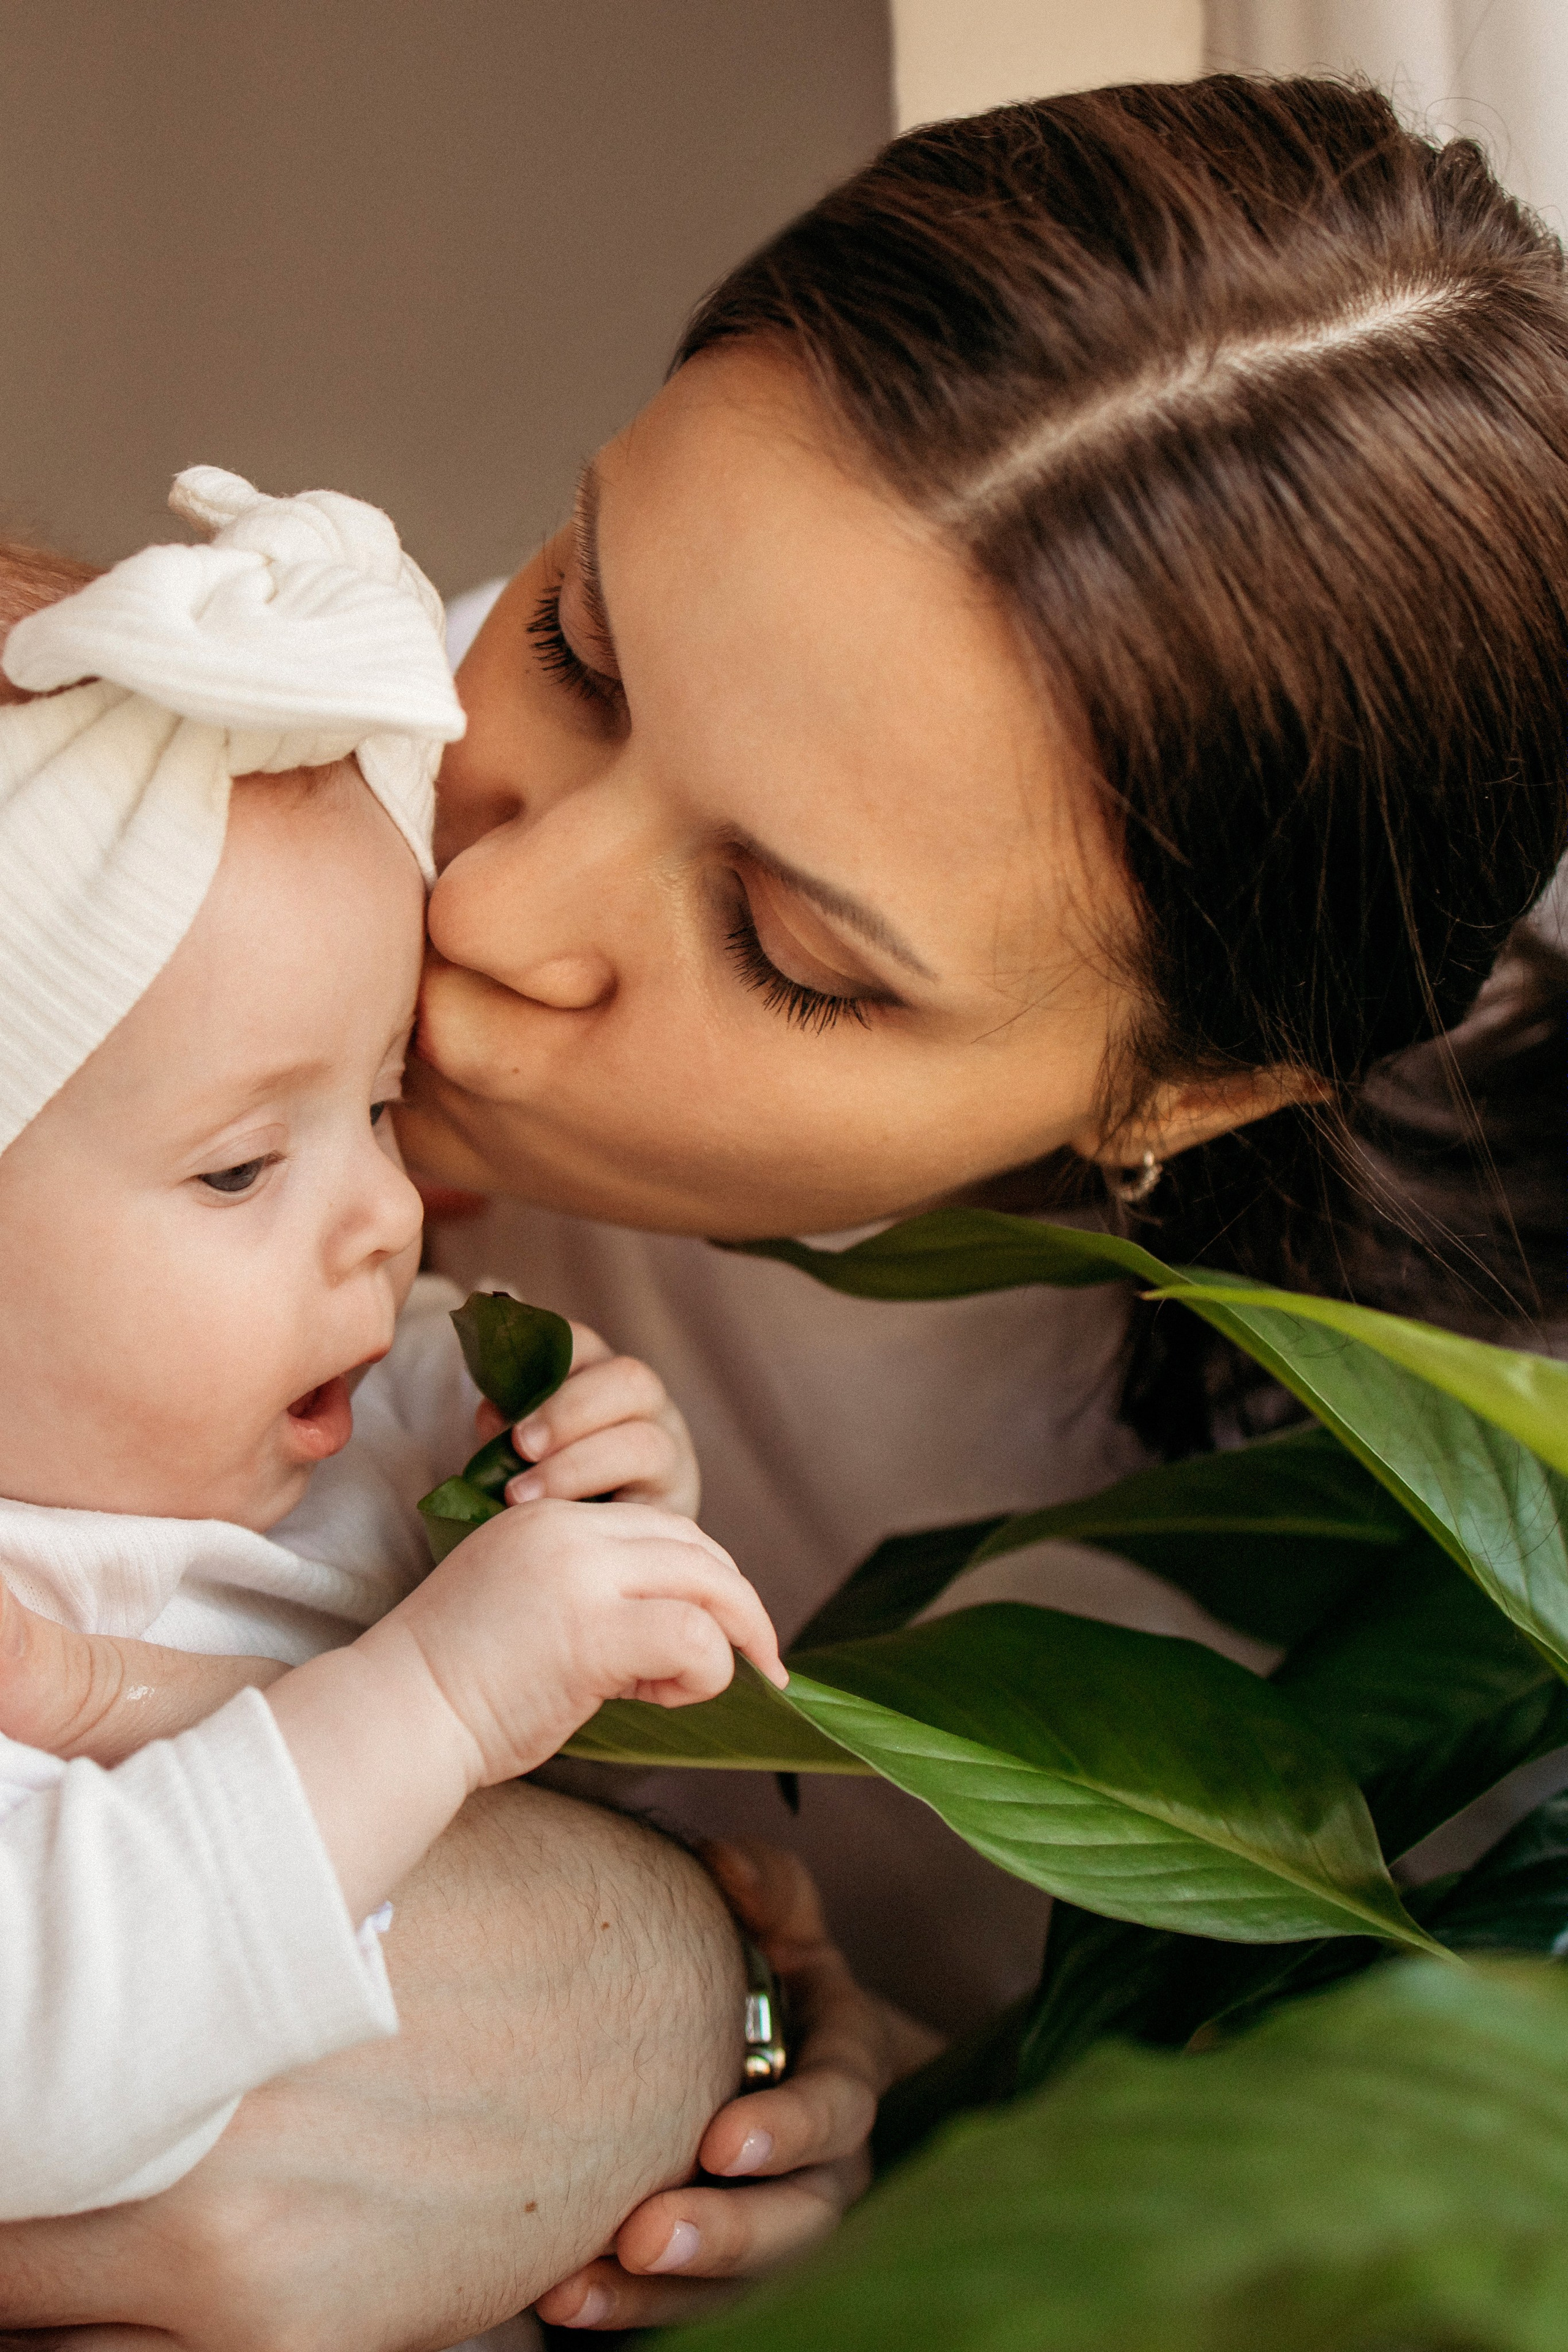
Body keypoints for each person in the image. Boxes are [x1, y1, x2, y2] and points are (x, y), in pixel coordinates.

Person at [1, 70, 1564, 2347]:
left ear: (1184, 1090)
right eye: (580, 639)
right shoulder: (230, 812)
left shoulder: (1432, 1581)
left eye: (791, 954)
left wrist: (760, 2068)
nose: (499, 899)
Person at [0, 469, 783, 2276]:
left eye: (370, 1105)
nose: (387, 1215)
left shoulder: (363, 1413)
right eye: (236, 1168)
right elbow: (39, 2049)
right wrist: (433, 1699)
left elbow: (657, 1834)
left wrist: (589, 1491)